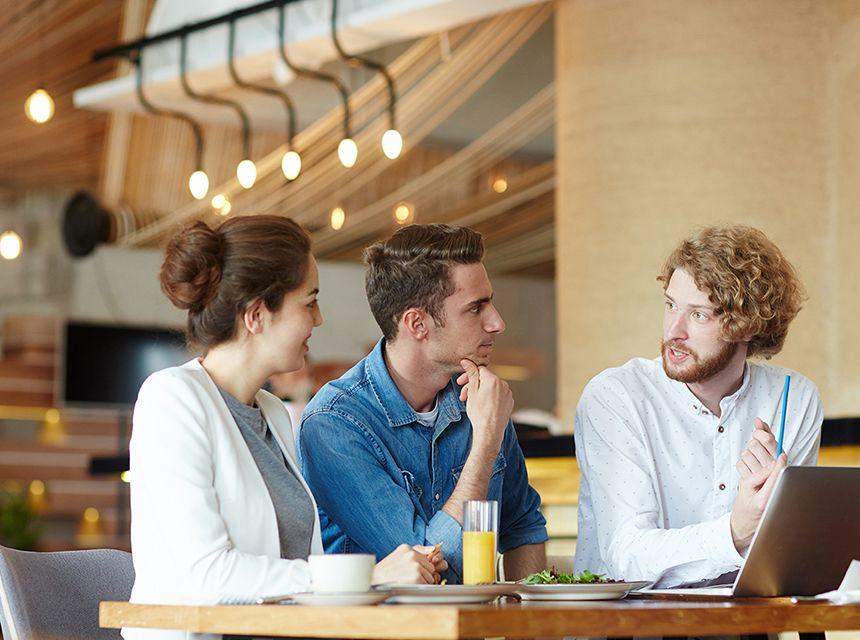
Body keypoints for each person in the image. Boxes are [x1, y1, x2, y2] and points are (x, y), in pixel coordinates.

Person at [126, 216, 446, 640]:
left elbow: (289, 571)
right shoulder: (172, 398)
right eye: (309, 302)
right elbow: (207, 574)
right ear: (257, 315)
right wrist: (367, 578)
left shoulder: (273, 412)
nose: (320, 318)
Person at [573, 225, 823, 587]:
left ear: (747, 326)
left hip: (746, 617)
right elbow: (627, 556)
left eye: (699, 315)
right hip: (629, 616)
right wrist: (735, 532)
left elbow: (789, 556)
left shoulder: (792, 398)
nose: (674, 331)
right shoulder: (616, 397)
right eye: (671, 305)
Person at [297, 223, 548, 583]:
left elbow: (523, 527)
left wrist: (529, 618)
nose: (497, 322)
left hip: (473, 619)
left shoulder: (481, 398)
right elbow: (426, 567)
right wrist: (485, 445)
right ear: (417, 324)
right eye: (476, 308)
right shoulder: (334, 423)